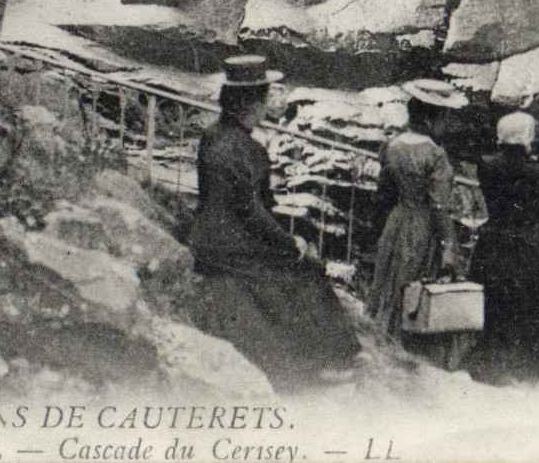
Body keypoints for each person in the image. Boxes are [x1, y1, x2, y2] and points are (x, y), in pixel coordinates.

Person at [186, 54, 360, 390]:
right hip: (230, 243)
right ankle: (320, 362)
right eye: (263, 101)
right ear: (249, 105)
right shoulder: (245, 149)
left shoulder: (213, 135)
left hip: (207, 234)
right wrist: (291, 245)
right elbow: (252, 211)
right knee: (307, 271)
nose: (266, 109)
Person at [467, 110, 539, 384]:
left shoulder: (486, 164)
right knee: (530, 306)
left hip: (494, 238)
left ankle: (490, 365)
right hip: (529, 242)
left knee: (494, 302)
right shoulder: (538, 171)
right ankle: (524, 368)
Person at [368, 78, 467, 340]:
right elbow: (439, 206)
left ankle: (385, 336)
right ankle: (408, 342)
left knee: (390, 281)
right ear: (433, 119)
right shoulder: (435, 155)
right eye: (445, 117)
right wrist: (449, 248)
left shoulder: (393, 146)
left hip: (397, 220)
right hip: (423, 226)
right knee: (416, 287)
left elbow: (384, 193)